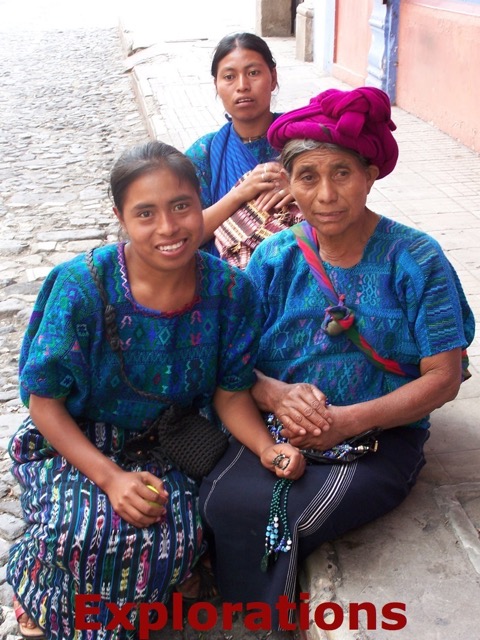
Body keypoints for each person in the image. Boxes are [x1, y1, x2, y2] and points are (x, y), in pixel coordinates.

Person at [199, 87, 475, 632]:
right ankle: (256, 615)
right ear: (289, 183)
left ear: (371, 175)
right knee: (216, 501)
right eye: (307, 177)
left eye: (342, 173)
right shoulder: (275, 257)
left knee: (276, 516)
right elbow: (233, 358)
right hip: (276, 426)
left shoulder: (416, 259)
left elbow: (443, 378)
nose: (325, 194)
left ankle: (258, 622)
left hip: (377, 437)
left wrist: (346, 421)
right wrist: (274, 393)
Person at [7, 140, 305, 640]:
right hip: (76, 441)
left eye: (182, 206)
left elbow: (230, 394)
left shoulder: (231, 292)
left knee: (172, 534)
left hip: (173, 441)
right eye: (146, 213)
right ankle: (39, 589)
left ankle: (152, 585)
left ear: (200, 201)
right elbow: (44, 403)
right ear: (121, 216)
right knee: (83, 531)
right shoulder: (82, 287)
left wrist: (268, 448)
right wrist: (109, 479)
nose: (168, 228)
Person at [185, 32, 301, 269]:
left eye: (254, 73)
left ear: (273, 77)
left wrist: (301, 185)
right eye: (229, 76)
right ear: (216, 85)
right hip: (226, 283)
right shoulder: (204, 153)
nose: (242, 86)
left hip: (297, 276)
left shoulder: (302, 140)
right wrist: (240, 193)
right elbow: (185, 234)